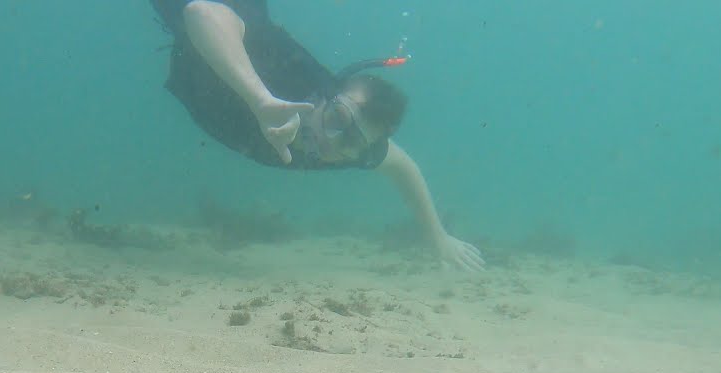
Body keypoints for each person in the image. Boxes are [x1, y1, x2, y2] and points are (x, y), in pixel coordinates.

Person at [150, 0, 485, 271]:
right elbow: (201, 13)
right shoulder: (280, 67)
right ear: (322, 97)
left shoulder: (357, 152)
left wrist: (437, 236)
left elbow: (402, 166)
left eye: (351, 141)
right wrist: (260, 100)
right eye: (337, 118)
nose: (330, 141)